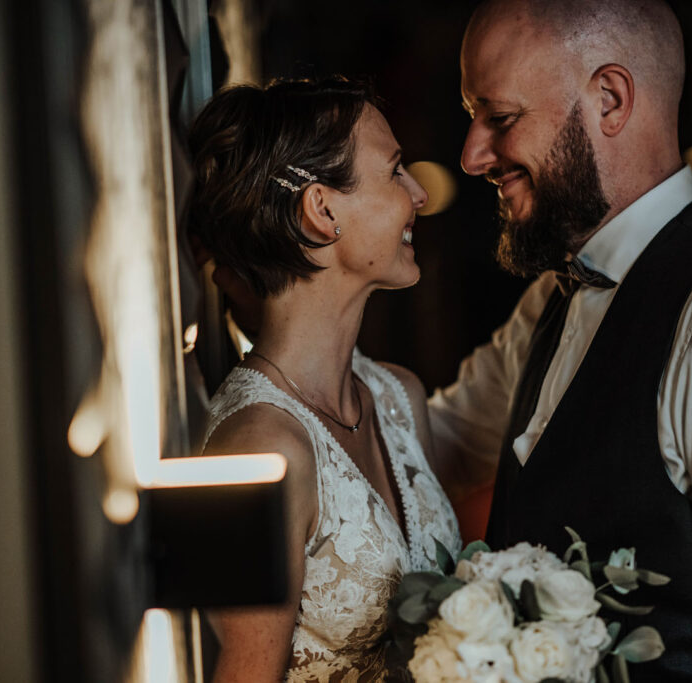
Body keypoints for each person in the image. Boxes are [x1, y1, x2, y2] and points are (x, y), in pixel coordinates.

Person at [427, 0, 692, 681]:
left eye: (499, 118)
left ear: (610, 98)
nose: (472, 153)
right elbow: (427, 445)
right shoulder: (553, 297)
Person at [187, 77, 462, 683]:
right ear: (321, 209)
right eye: (395, 172)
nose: (418, 194)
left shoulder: (398, 397)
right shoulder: (258, 449)